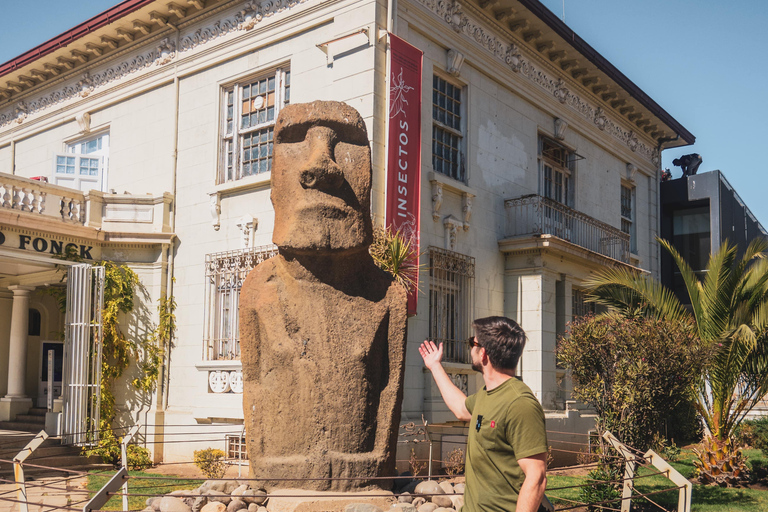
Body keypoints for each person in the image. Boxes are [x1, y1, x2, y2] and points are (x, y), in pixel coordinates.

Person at [419, 316, 548, 512]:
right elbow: (461, 408)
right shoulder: (486, 395)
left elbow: (536, 477)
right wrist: (435, 366)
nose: (470, 347)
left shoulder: (520, 403)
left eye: (473, 342)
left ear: (484, 353)